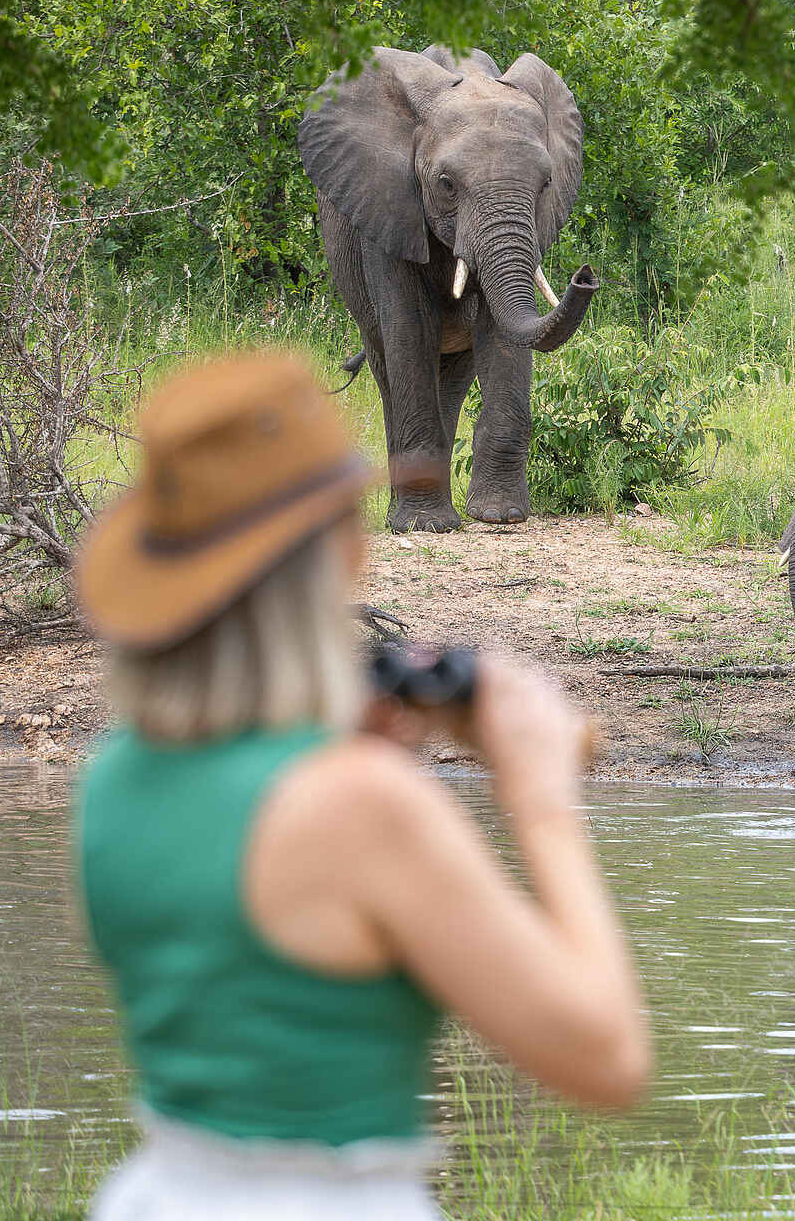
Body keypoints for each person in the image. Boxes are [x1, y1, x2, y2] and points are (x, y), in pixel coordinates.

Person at [72, 352, 649, 1220]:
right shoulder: (363, 805)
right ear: (342, 553)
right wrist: (540, 796)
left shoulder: (111, 780)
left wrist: (343, 742)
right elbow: (609, 1058)